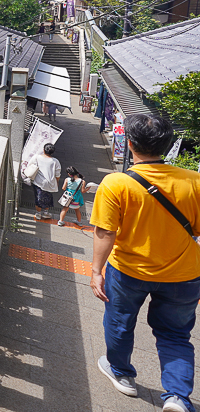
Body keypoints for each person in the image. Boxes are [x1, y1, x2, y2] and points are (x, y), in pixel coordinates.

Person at [90, 114, 200, 412]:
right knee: (176, 335)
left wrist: (96, 271)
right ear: (167, 144)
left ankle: (121, 373)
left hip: (128, 272)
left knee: (120, 322)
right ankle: (177, 396)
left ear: (129, 143)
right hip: (185, 275)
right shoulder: (195, 182)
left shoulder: (116, 183)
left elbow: (105, 232)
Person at [25, 142, 61, 220]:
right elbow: (57, 175)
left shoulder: (36, 157)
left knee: (38, 197)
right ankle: (46, 213)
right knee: (47, 197)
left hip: (38, 182)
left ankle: (38, 213)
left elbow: (29, 166)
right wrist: (57, 182)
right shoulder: (55, 161)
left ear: (44, 150)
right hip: (50, 183)